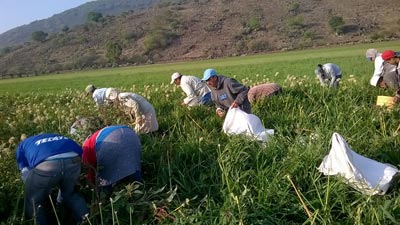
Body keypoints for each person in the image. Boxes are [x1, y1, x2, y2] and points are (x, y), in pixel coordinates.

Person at [16, 133, 88, 225]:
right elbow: (80, 152)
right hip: (73, 159)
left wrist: (36, 189)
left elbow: (25, 172)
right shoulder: (56, 136)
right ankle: (85, 220)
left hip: (47, 165)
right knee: (69, 194)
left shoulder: (22, 145)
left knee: (33, 202)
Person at [81, 125, 142, 194]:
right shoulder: (96, 136)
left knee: (107, 178)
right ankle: (138, 184)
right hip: (131, 134)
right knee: (132, 162)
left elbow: (89, 171)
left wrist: (92, 187)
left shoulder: (86, 147)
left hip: (110, 141)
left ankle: (106, 195)